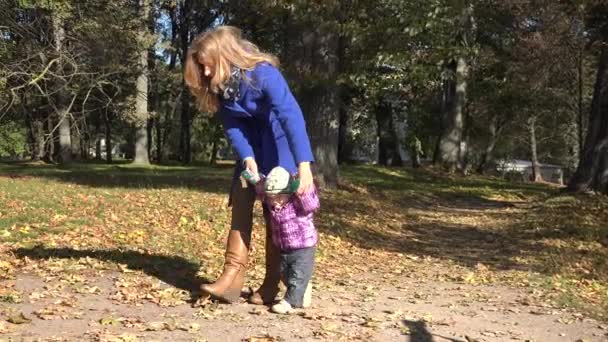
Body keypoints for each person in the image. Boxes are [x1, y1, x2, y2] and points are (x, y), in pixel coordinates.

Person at [183, 25, 316, 305]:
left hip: (279, 146)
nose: (205, 74)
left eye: (208, 66)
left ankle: (271, 284)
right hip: (251, 152)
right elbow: (233, 126)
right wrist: (247, 157)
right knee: (242, 199)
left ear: (225, 56)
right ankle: (232, 277)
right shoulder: (220, 87)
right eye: (202, 68)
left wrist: (303, 164)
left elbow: (291, 115)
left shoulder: (263, 74)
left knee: (275, 213)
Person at [243, 166, 319, 313]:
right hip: (284, 248)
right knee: (285, 274)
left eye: (279, 197)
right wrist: (251, 176)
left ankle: (290, 302)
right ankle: (303, 289)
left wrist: (304, 190)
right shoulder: (271, 199)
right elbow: (260, 187)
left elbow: (312, 204)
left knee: (297, 275)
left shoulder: (296, 203)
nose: (275, 202)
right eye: (271, 198)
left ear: (289, 192)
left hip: (304, 246)